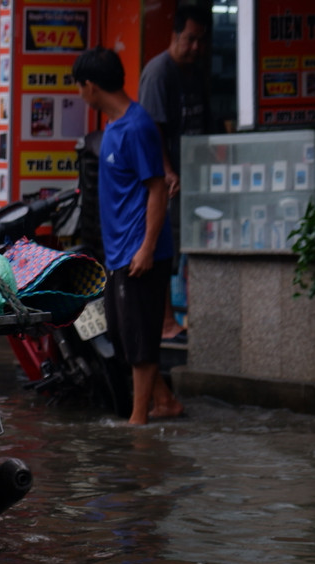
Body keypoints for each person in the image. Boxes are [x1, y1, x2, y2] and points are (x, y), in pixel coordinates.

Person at [73, 47, 184, 426]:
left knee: (139, 340)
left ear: (90, 86)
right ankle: (164, 400)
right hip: (119, 250)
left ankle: (138, 423)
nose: (80, 94)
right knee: (120, 333)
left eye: (79, 87)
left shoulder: (137, 126)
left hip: (139, 250)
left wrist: (148, 248)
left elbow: (157, 189)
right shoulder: (114, 129)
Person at [139, 5, 211, 341]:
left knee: (193, 247)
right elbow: (153, 130)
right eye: (190, 39)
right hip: (169, 184)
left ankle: (193, 315)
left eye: (201, 40)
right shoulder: (159, 73)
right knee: (168, 249)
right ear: (174, 36)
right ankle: (166, 321)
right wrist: (168, 173)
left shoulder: (196, 72)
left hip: (197, 179)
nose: (196, 47)